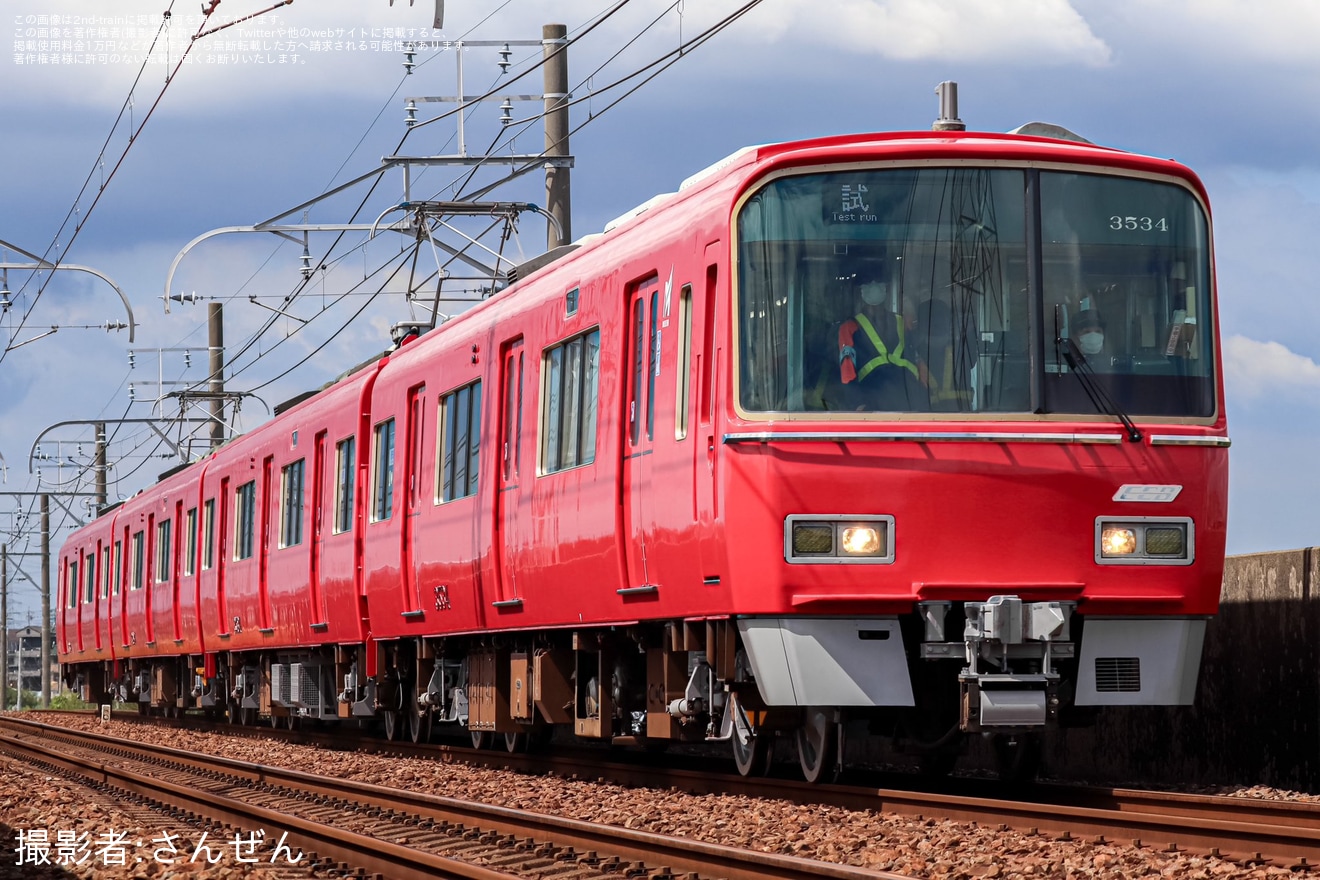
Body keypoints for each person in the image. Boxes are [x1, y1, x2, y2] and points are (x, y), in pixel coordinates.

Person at [826, 273, 923, 411]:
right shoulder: (849, 328)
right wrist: (858, 403)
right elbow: (847, 369)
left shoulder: (902, 322)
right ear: (861, 291)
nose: (873, 283)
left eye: (878, 281)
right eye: (869, 281)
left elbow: (917, 358)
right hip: (875, 399)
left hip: (907, 396)